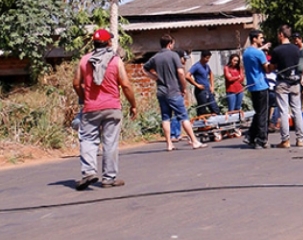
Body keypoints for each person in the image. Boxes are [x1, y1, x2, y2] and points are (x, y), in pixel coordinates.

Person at [73, 28, 137, 190]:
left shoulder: (84, 60)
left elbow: (76, 83)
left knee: (88, 140)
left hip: (90, 108)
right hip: (112, 107)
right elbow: (126, 85)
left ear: (94, 43)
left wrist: (85, 97)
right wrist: (133, 105)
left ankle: (89, 172)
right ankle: (109, 178)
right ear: (108, 42)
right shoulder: (115, 61)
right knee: (110, 143)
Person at [143, 34, 208, 151]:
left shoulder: (155, 57)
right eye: (173, 43)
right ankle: (194, 141)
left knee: (165, 117)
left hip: (161, 91)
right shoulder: (173, 56)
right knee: (184, 116)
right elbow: (181, 73)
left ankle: (169, 144)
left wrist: (156, 77)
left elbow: (144, 69)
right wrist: (183, 87)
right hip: (173, 91)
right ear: (170, 44)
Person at [269, 24, 303, 148]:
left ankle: (286, 140)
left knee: (284, 111)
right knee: (297, 110)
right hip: (295, 82)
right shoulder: (296, 49)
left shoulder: (277, 50)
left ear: (281, 34)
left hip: (282, 82)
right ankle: (300, 139)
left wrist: (269, 67)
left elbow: (272, 67)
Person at [242, 29, 270, 149]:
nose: (262, 40)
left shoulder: (246, 52)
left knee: (258, 112)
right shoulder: (260, 54)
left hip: (252, 86)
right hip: (261, 86)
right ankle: (261, 139)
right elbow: (267, 68)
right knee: (263, 114)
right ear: (254, 39)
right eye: (261, 38)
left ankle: (250, 136)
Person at [186, 50, 221, 116]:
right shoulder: (196, 66)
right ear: (202, 57)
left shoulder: (206, 66)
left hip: (208, 90)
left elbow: (211, 74)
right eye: (206, 58)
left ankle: (217, 124)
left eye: (209, 58)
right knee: (202, 109)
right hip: (201, 91)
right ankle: (201, 125)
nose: (207, 60)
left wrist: (212, 86)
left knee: (215, 108)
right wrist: (197, 85)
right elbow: (187, 76)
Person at [170, 50, 190, 141]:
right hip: (175, 92)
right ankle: (174, 134)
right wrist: (183, 88)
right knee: (176, 114)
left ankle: (177, 134)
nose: (185, 61)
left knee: (178, 114)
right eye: (184, 59)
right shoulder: (177, 68)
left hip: (177, 92)